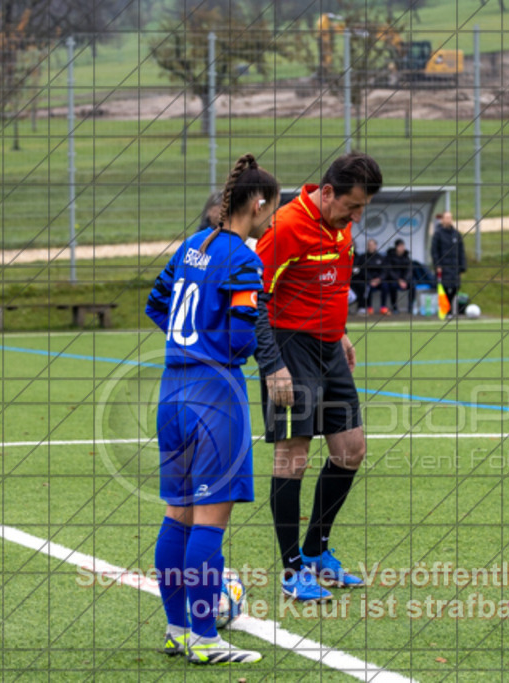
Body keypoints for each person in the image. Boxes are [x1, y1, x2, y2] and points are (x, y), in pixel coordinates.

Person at [146, 154, 280, 663]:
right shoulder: (245, 258)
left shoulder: (189, 247)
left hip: (172, 390)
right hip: (214, 395)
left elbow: (157, 302)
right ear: (259, 203)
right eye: (273, 209)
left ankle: (178, 630)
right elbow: (245, 333)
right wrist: (217, 351)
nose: (272, 220)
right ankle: (206, 639)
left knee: (177, 514)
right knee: (208, 522)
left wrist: (190, 342)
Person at [254, 152, 383, 602]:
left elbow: (323, 284)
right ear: (327, 193)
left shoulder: (338, 223)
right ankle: (292, 572)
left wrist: (341, 332)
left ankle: (315, 552)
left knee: (352, 450)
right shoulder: (285, 228)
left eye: (361, 208)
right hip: (290, 347)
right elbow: (255, 299)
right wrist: (273, 365)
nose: (356, 216)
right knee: (293, 456)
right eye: (352, 206)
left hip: (329, 347)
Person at [430, 210, 466, 316]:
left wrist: (462, 266)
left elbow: (461, 251)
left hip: (454, 267)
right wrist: (437, 265)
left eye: (450, 217)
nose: (448, 220)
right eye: (446, 217)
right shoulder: (438, 234)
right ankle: (446, 310)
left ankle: (449, 308)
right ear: (442, 220)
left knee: (455, 287)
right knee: (444, 288)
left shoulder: (456, 234)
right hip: (443, 267)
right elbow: (434, 251)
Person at [351, 238, 389, 314]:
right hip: (368, 280)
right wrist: (370, 279)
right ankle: (369, 307)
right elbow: (362, 271)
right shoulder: (363, 257)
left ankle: (383, 307)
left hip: (379, 281)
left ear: (376, 246)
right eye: (369, 245)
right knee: (366, 287)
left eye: (372, 245)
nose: (370, 247)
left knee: (385, 286)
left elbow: (384, 271)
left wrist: (379, 279)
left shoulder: (381, 257)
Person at [384, 238, 414, 314]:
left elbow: (409, 270)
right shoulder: (390, 257)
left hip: (404, 280)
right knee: (392, 286)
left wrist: (405, 280)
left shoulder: (406, 257)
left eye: (403, 246)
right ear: (396, 247)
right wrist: (399, 280)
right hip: (394, 280)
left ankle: (410, 307)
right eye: (400, 246)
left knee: (412, 285)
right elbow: (389, 271)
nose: (402, 248)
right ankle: (394, 307)